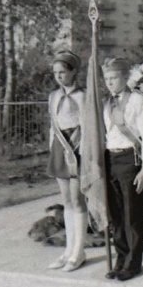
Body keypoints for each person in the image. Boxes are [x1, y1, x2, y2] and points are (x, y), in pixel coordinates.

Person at [101, 57, 143, 282]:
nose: (110, 82)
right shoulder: (107, 103)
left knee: (132, 214)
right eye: (107, 78)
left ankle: (133, 263)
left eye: (114, 78)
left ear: (125, 77)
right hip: (111, 159)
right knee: (116, 214)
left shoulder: (136, 101)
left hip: (130, 159)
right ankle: (121, 259)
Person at [46, 50, 88, 272]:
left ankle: (79, 252)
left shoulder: (83, 96)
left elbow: (87, 127)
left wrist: (83, 153)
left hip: (77, 149)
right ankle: (68, 250)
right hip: (60, 148)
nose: (59, 76)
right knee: (66, 201)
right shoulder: (53, 96)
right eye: (55, 73)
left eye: (62, 72)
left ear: (73, 72)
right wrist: (52, 150)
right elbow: (52, 126)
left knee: (77, 200)